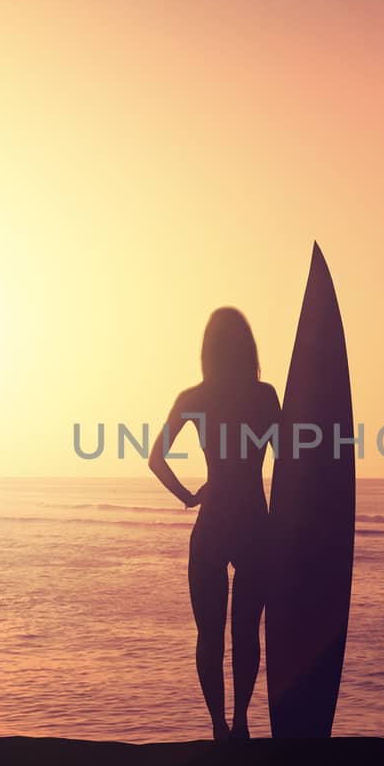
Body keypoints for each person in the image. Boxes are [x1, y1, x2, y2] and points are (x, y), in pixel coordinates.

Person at [149, 307, 281, 740]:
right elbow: (289, 460)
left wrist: (188, 497)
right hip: (255, 526)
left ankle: (219, 728)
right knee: (247, 634)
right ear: (248, 348)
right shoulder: (264, 396)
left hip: (212, 524)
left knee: (209, 636)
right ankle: (242, 721)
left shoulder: (194, 398)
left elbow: (155, 458)